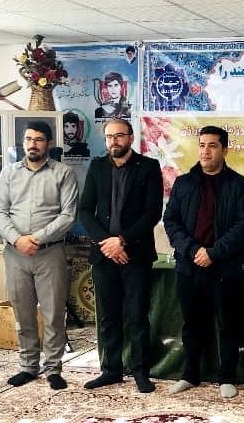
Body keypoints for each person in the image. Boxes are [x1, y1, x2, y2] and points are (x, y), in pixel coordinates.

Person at [162, 126, 244, 399]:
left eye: (212, 145)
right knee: (192, 324)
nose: (205, 151)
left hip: (224, 268)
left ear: (224, 150)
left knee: (227, 325)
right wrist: (193, 250)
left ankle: (227, 376)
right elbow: (171, 221)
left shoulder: (240, 185)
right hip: (189, 266)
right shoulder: (184, 183)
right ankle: (190, 374)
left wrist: (213, 253)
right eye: (202, 145)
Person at [0, 121, 79, 390]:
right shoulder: (9, 173)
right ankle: (28, 366)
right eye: (28, 139)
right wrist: (18, 240)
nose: (32, 144)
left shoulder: (63, 173)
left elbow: (68, 215)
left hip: (50, 252)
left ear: (49, 144)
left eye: (39, 140)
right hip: (15, 254)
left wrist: (37, 239)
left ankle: (53, 368)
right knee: (23, 312)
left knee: (53, 313)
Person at [78, 118, 163, 393]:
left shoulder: (149, 167)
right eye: (109, 137)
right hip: (104, 255)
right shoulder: (97, 167)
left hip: (135, 255)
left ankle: (140, 371)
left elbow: (153, 212)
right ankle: (111, 370)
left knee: (137, 316)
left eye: (119, 136)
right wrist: (107, 244)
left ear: (131, 137)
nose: (113, 141)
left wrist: (122, 241)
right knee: (108, 316)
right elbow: (85, 210)